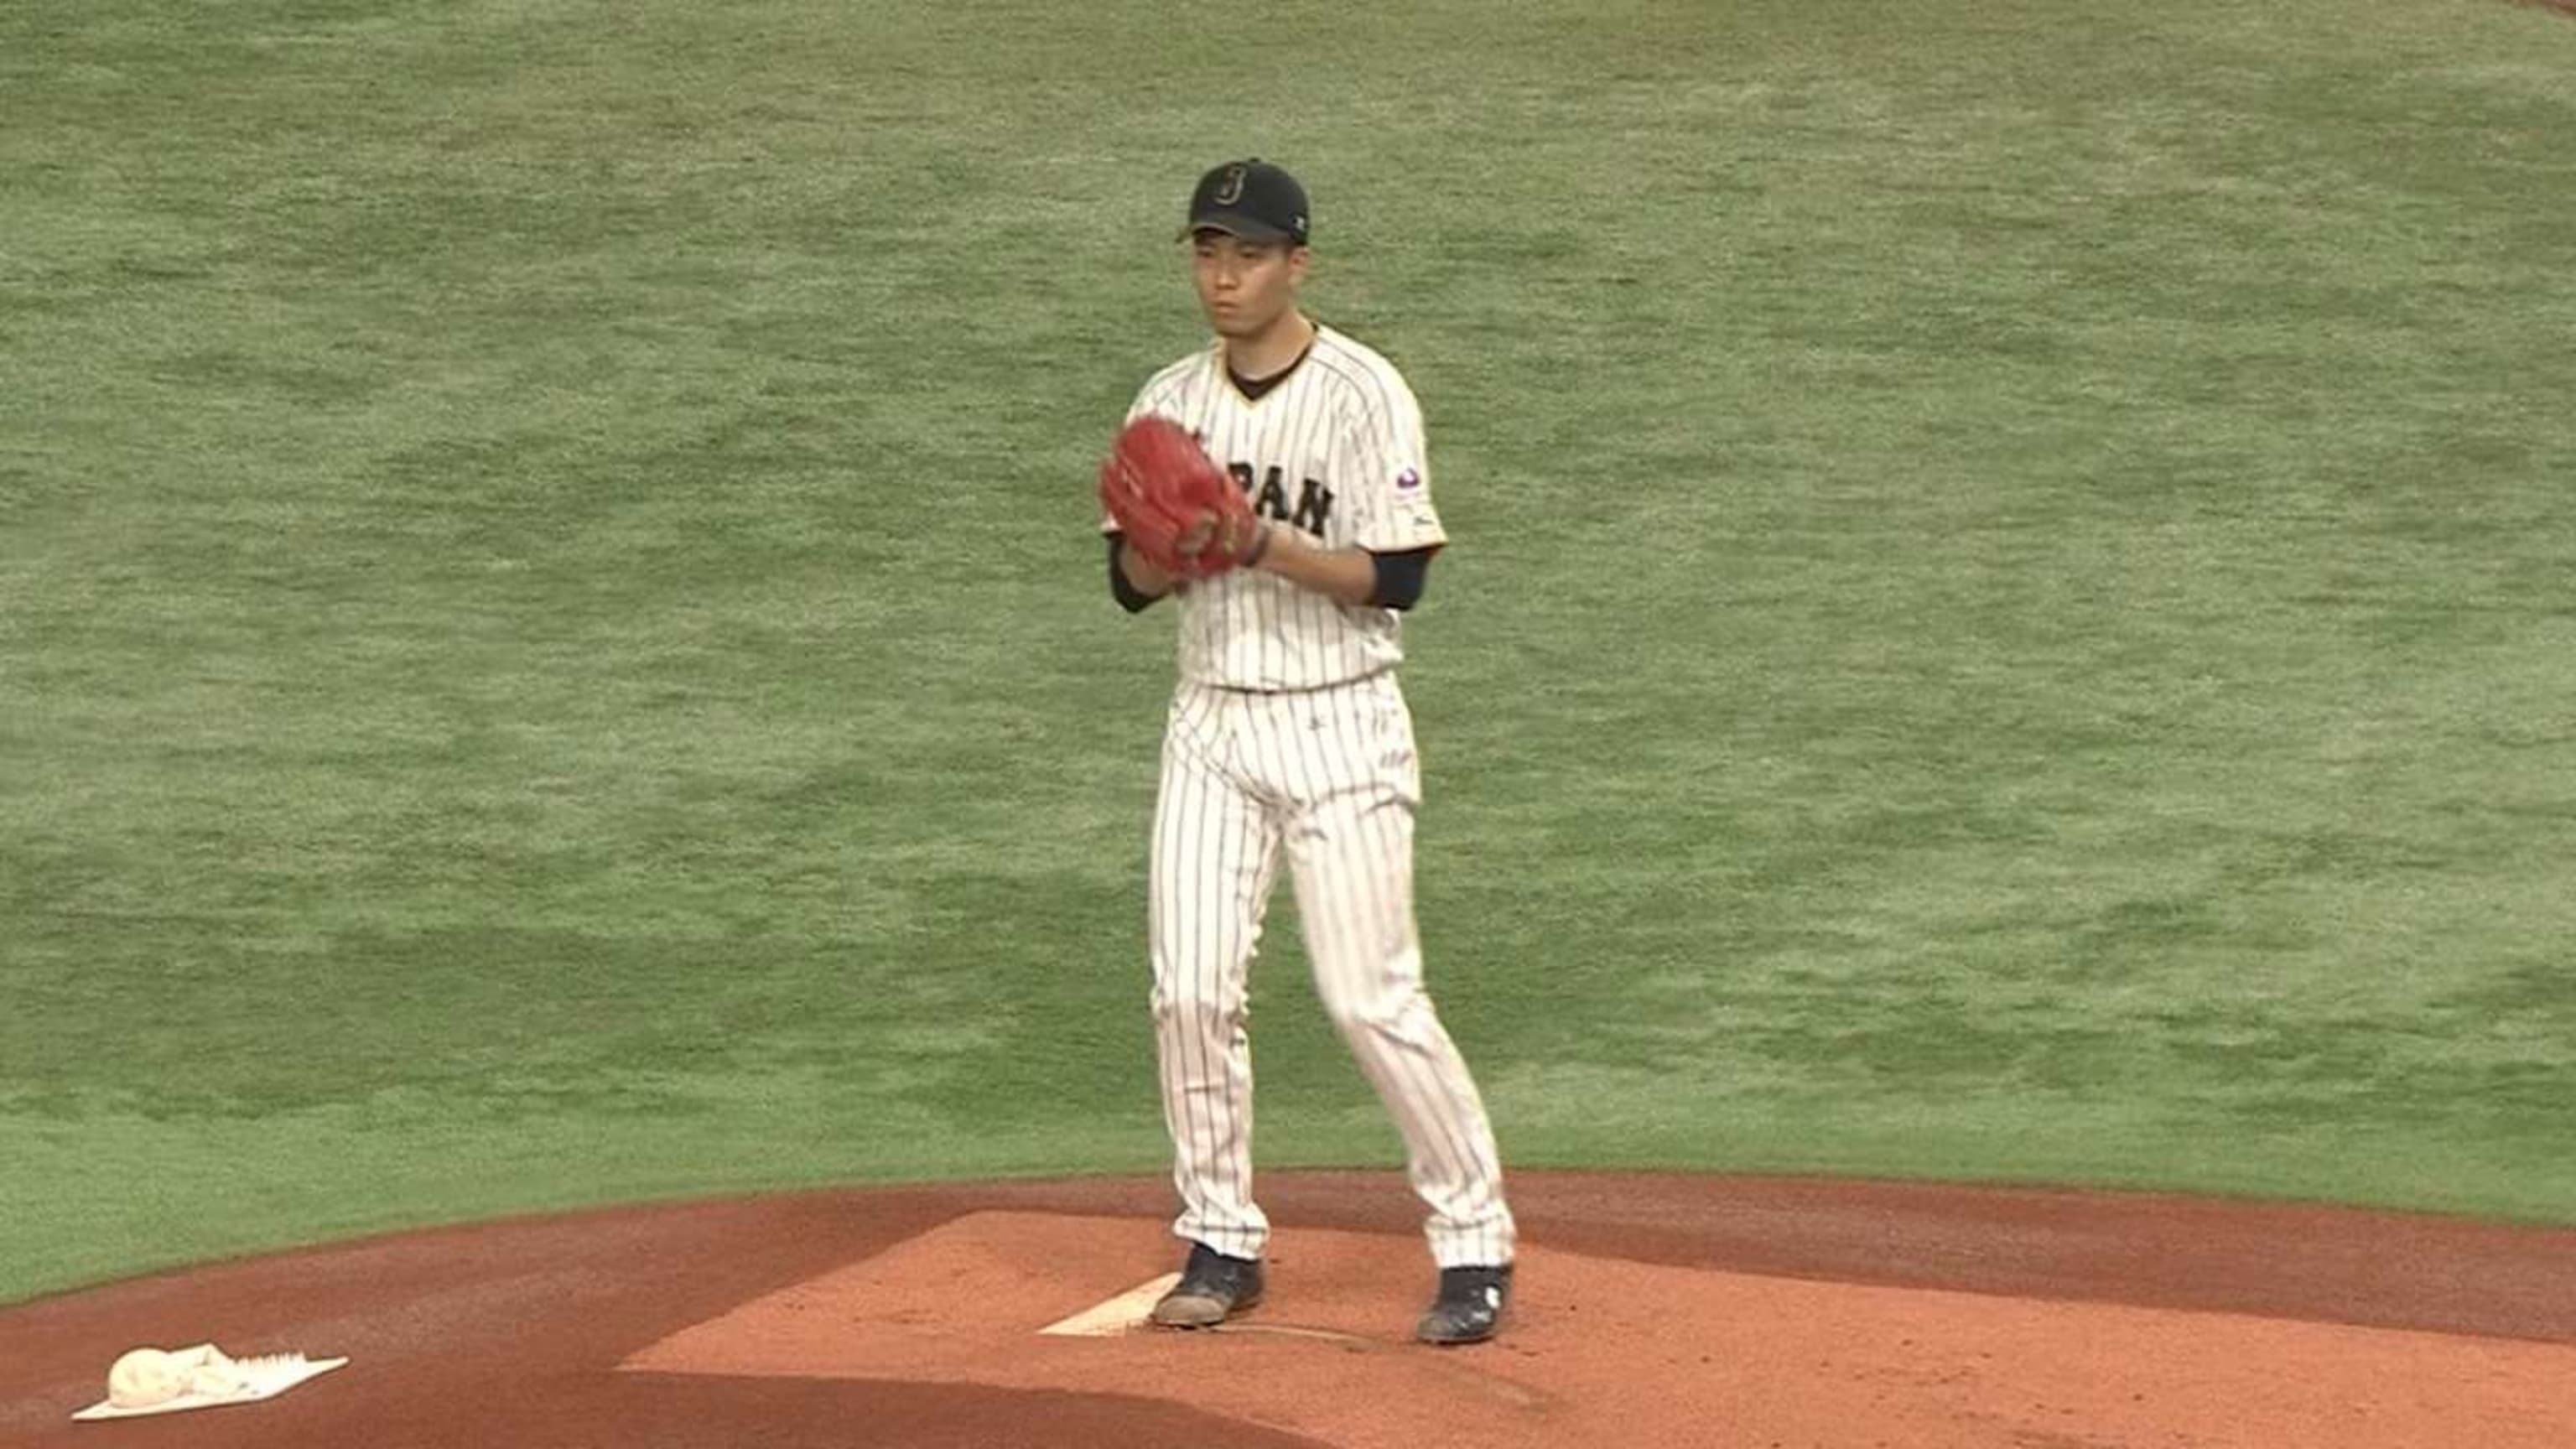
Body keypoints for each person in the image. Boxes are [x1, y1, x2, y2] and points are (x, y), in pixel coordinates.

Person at [1100, 158, 1518, 1346]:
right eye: (1207, 253)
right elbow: (1127, 587)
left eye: (1248, 254)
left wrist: (1259, 540)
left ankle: (1474, 1238)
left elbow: (1397, 576)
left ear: (1298, 263)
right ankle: (1219, 1238)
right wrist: (1169, 548)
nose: (1224, 277)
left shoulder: (1361, 392)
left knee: (1368, 998)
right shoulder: (1168, 401)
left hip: (1340, 720)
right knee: (1188, 990)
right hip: (1214, 723)